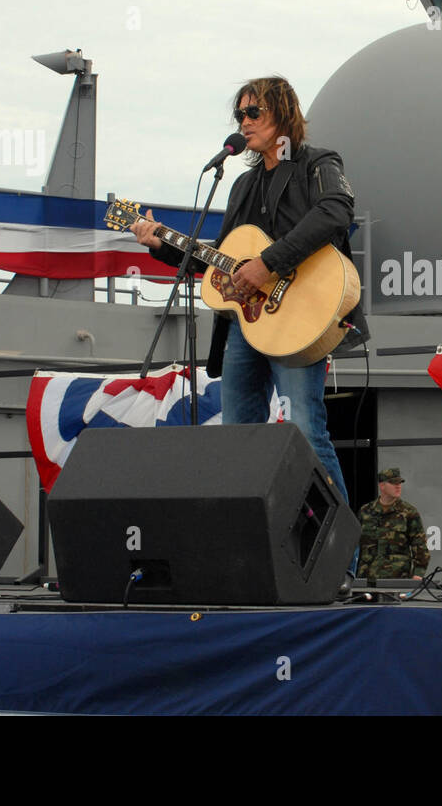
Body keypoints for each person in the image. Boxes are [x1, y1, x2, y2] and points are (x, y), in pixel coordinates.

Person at [130, 76, 367, 577]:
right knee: (238, 438)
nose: (243, 124)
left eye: (252, 113)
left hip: (301, 321)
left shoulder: (319, 163)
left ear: (282, 113)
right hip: (246, 328)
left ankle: (340, 559)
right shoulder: (240, 183)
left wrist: (271, 264)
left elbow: (336, 214)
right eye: (238, 116)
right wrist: (161, 243)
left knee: (307, 430)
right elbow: (221, 263)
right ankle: (248, 557)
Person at [357, 468, 430, 581]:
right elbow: (354, 545)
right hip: (368, 578)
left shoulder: (408, 512)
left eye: (399, 483)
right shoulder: (365, 512)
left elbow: (419, 545)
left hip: (397, 578)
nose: (398, 486)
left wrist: (418, 573)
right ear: (382, 486)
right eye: (393, 483)